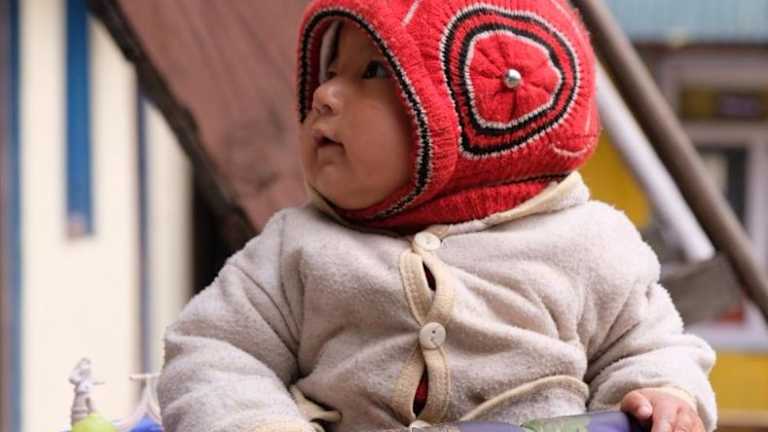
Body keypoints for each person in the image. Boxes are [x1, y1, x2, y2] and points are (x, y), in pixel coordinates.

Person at [158, 1, 717, 432]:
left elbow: (648, 345)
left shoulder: (586, 243)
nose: (324, 94)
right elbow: (215, 349)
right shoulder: (296, 247)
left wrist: (660, 393)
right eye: (328, 71)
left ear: (479, 113)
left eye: (371, 70)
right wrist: (258, 421)